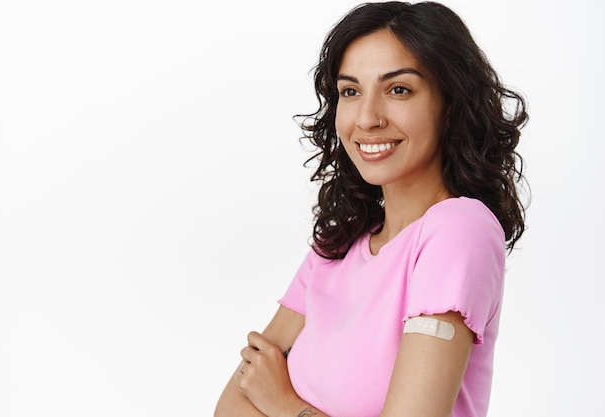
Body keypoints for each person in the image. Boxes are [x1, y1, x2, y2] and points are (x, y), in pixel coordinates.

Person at [215, 1, 528, 416]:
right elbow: (233, 404)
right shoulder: (336, 247)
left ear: (450, 104)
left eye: (399, 89)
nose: (367, 117)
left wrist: (287, 405)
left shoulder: (457, 230)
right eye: (350, 91)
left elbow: (265, 394)